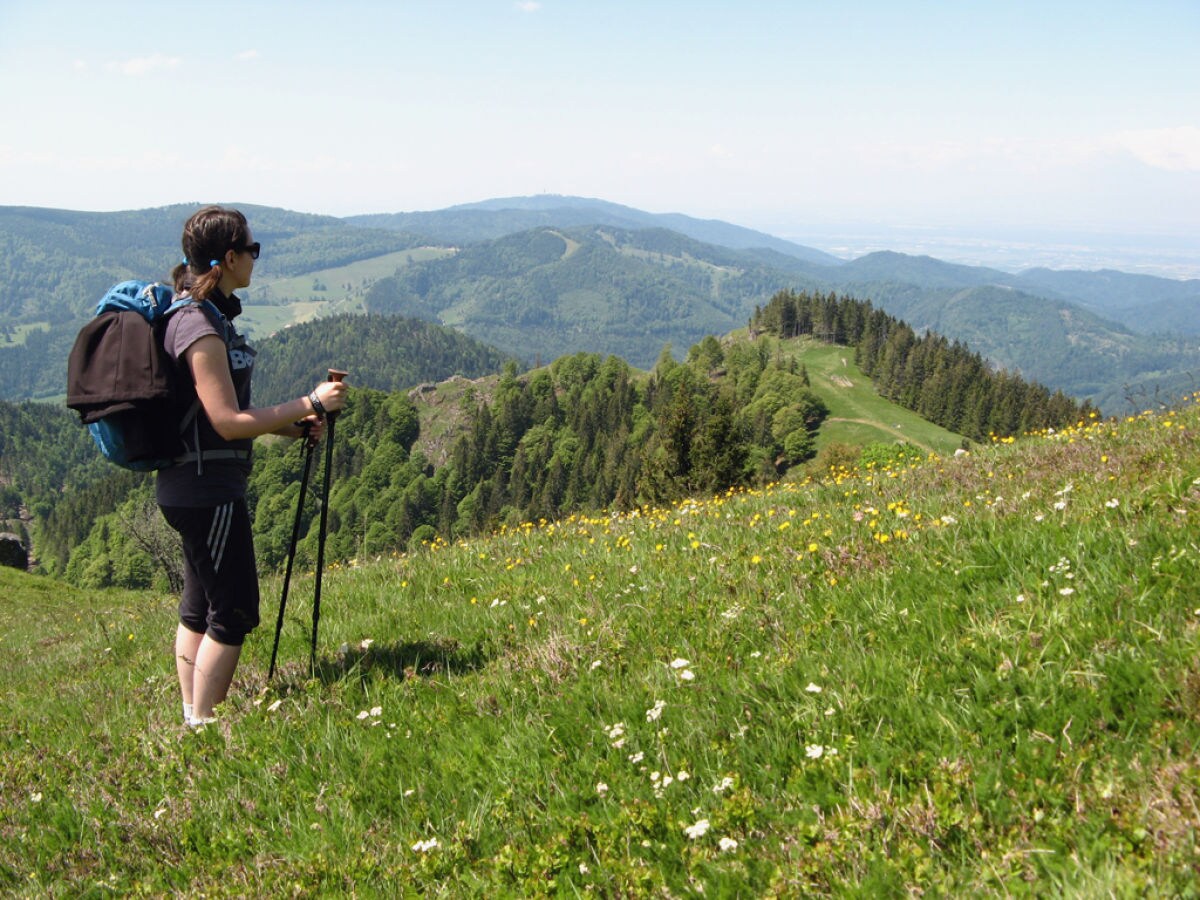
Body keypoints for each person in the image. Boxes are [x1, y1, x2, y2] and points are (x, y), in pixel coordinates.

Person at [158, 205, 347, 728]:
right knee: (235, 609)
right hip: (205, 490)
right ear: (229, 257)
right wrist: (309, 403)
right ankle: (203, 729)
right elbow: (225, 420)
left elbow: (228, 417)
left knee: (200, 606)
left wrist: (291, 425)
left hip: (194, 484)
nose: (256, 259)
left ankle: (190, 716)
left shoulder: (205, 314)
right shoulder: (197, 324)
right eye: (252, 250)